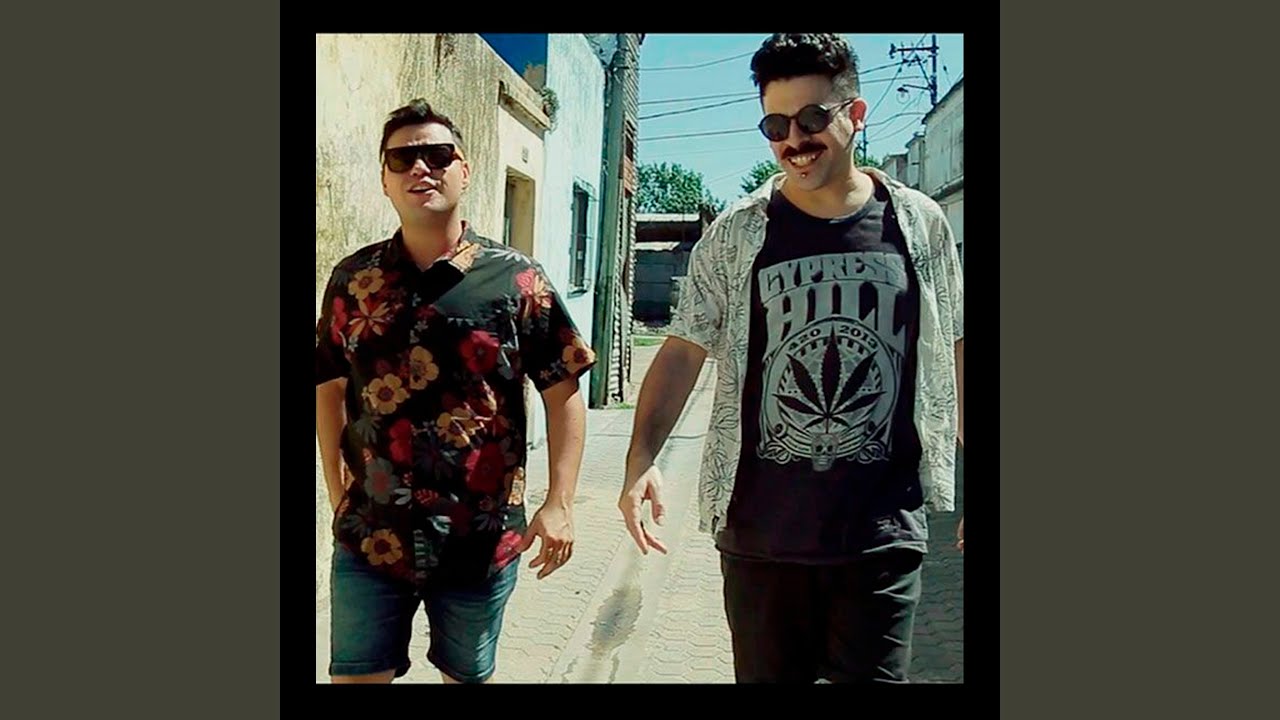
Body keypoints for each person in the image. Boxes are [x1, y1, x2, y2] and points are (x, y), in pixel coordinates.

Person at [618, 33, 964, 684]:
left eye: (811, 119)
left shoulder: (918, 224)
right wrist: (641, 461)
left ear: (855, 115)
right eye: (775, 126)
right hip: (761, 537)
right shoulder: (737, 233)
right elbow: (683, 351)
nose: (794, 141)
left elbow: (956, 344)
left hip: (882, 531)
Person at [316, 99, 596, 684]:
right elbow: (328, 385)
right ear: (385, 179)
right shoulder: (352, 281)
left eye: (438, 155)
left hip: (479, 537)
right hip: (372, 536)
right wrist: (337, 490)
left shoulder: (517, 279)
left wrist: (560, 503)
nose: (421, 168)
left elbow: (562, 391)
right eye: (402, 158)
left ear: (464, 171)